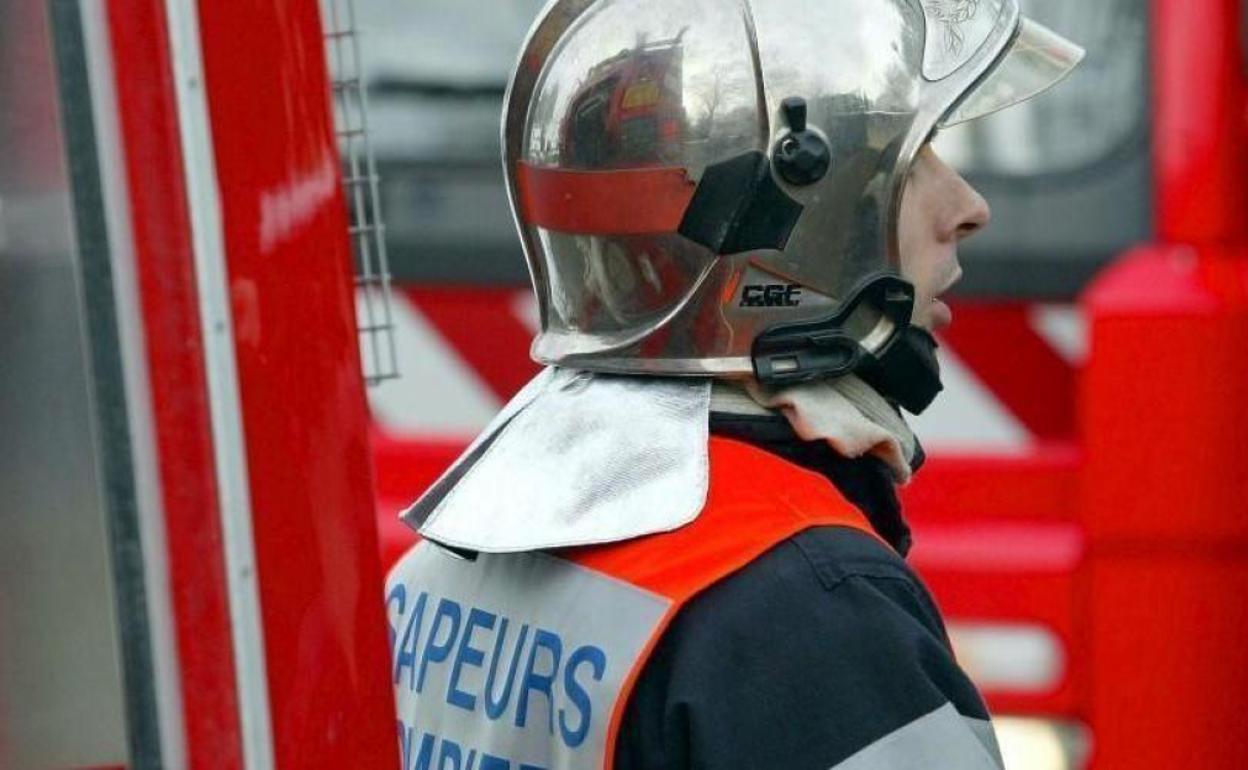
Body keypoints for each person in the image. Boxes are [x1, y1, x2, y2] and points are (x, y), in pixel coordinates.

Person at [385, 1, 1083, 768]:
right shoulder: (811, 615)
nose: (967, 209)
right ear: (796, 216)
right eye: (914, 161)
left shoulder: (436, 564)